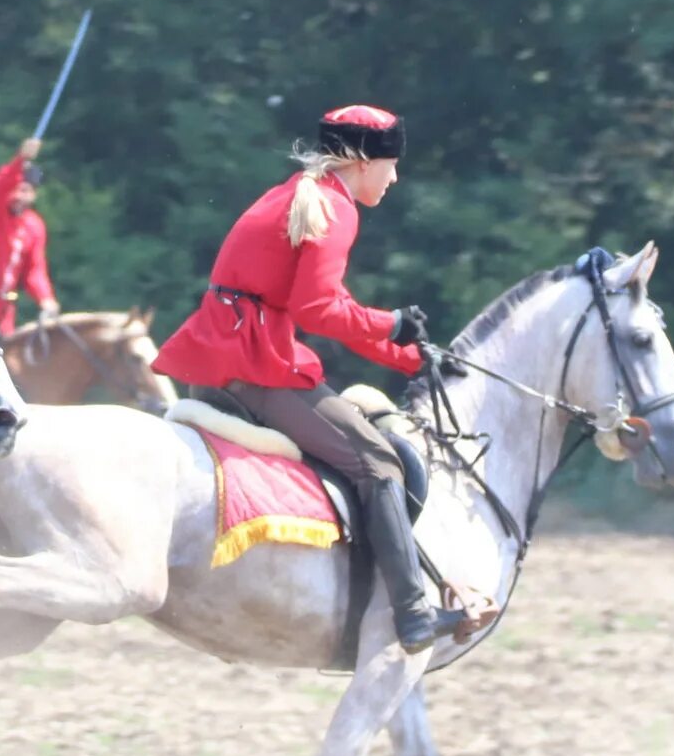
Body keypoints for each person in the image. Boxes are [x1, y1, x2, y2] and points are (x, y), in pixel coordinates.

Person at [150, 105, 477, 653]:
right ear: (361, 162)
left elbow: (330, 307)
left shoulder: (299, 193)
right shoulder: (333, 207)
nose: (395, 178)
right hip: (254, 366)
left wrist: (410, 359)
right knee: (378, 463)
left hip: (222, 356)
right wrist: (391, 322)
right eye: (391, 165)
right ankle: (413, 615)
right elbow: (318, 309)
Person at [0, 137, 60, 335]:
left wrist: (45, 298)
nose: (21, 197)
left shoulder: (34, 226)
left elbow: (34, 270)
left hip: (4, 312)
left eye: (27, 191)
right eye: (17, 190)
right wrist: (21, 160)